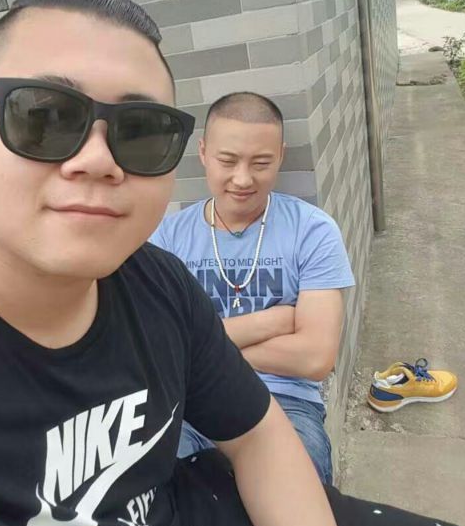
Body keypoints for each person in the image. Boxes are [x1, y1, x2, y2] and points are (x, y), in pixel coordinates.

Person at [0, 0, 465, 526]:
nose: (97, 159)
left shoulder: (167, 274)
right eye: (43, 116)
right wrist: (264, 324)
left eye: (140, 131)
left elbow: (286, 396)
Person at [150, 93, 352, 484]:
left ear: (280, 156)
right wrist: (271, 322)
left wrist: (200, 351)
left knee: (297, 488)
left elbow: (315, 357)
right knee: (157, 489)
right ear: (204, 153)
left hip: (286, 401)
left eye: (261, 163)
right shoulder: (167, 237)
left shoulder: (313, 230)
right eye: (228, 161)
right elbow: (159, 349)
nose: (243, 179)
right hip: (190, 402)